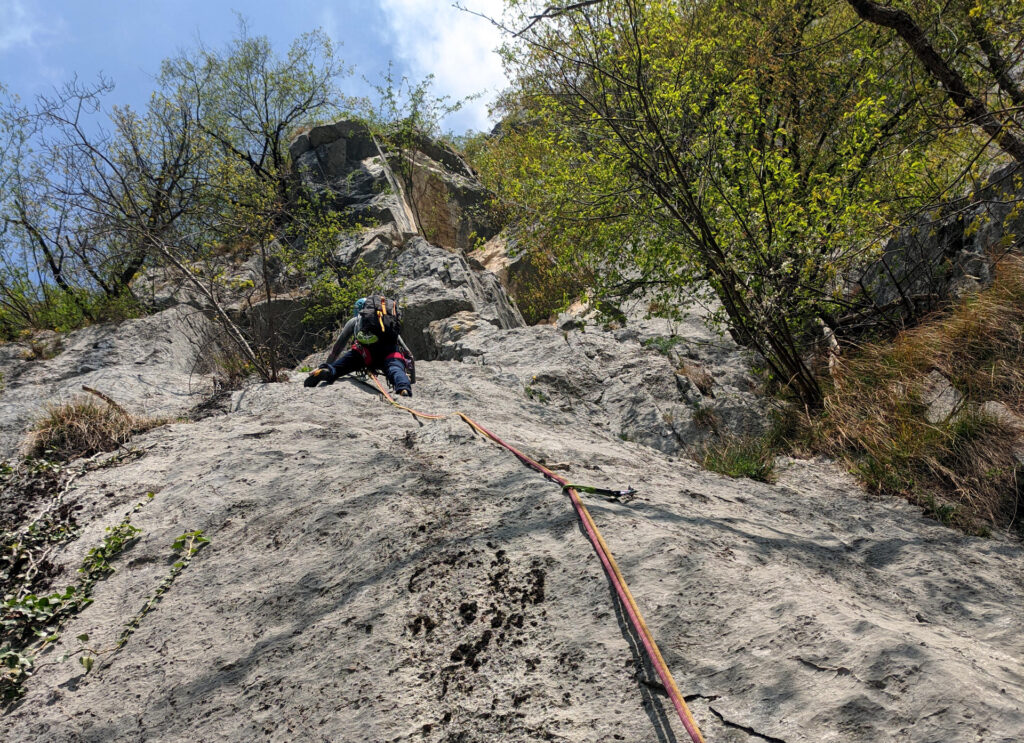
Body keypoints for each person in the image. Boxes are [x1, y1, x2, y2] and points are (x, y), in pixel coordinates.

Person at [304, 296, 415, 395]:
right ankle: (403, 387)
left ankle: (328, 371)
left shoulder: (354, 321)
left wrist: (327, 364)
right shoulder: (386, 323)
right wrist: (412, 373)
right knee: (395, 368)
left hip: (363, 354)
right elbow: (405, 348)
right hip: (389, 352)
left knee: (340, 367)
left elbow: (337, 348)